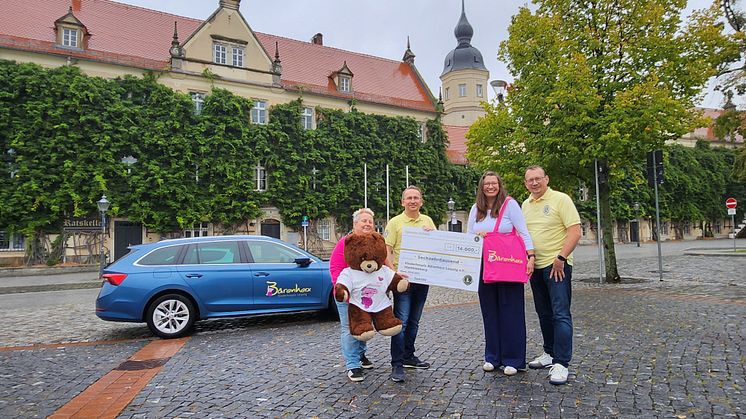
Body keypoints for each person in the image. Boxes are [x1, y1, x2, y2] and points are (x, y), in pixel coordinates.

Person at [467, 171, 535, 376]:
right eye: (487, 184)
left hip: (507, 264)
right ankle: (492, 356)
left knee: (511, 311)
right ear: (482, 187)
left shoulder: (510, 205)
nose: (490, 187)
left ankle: (514, 359)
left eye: (493, 183)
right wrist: (476, 235)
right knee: (490, 312)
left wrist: (530, 255)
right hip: (484, 265)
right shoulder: (476, 209)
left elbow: (523, 231)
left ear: (499, 185)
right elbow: (469, 235)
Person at [521, 165, 581, 385]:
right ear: (525, 183)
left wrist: (562, 258)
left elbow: (575, 230)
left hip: (557, 266)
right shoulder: (525, 205)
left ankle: (562, 363)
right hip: (535, 266)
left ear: (546, 179)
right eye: (530, 180)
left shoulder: (561, 199)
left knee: (560, 313)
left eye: (538, 179)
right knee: (544, 313)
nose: (534, 183)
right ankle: (549, 353)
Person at [384, 186, 436, 382]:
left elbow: (436, 248)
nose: (413, 201)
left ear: (421, 202)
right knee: (401, 322)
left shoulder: (428, 221)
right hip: (403, 281)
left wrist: (433, 235)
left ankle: (408, 356)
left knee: (414, 321)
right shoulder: (395, 222)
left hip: (423, 279)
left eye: (416, 198)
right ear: (402, 202)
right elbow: (386, 250)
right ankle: (397, 363)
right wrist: (394, 273)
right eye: (409, 198)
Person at [329, 208, 377, 382]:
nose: (367, 224)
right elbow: (335, 268)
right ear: (355, 224)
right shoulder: (345, 242)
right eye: (363, 221)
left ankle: (361, 355)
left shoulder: (375, 242)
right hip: (348, 294)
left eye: (370, 221)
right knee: (349, 328)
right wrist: (342, 288)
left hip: (366, 295)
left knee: (364, 326)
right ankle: (352, 365)